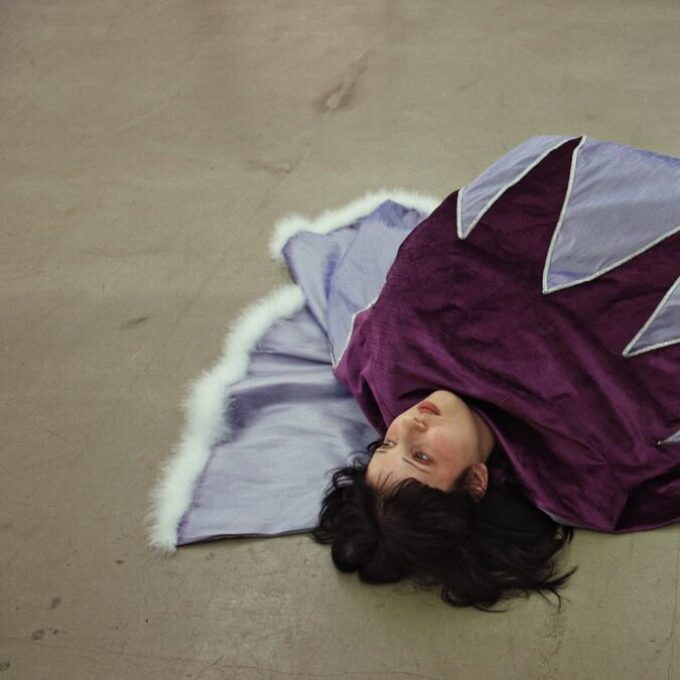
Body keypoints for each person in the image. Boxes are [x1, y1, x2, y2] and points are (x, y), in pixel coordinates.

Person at [312, 390, 576, 611]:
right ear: (475, 482)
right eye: (421, 457)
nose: (407, 423)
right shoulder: (568, 442)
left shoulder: (388, 378)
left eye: (388, 444)